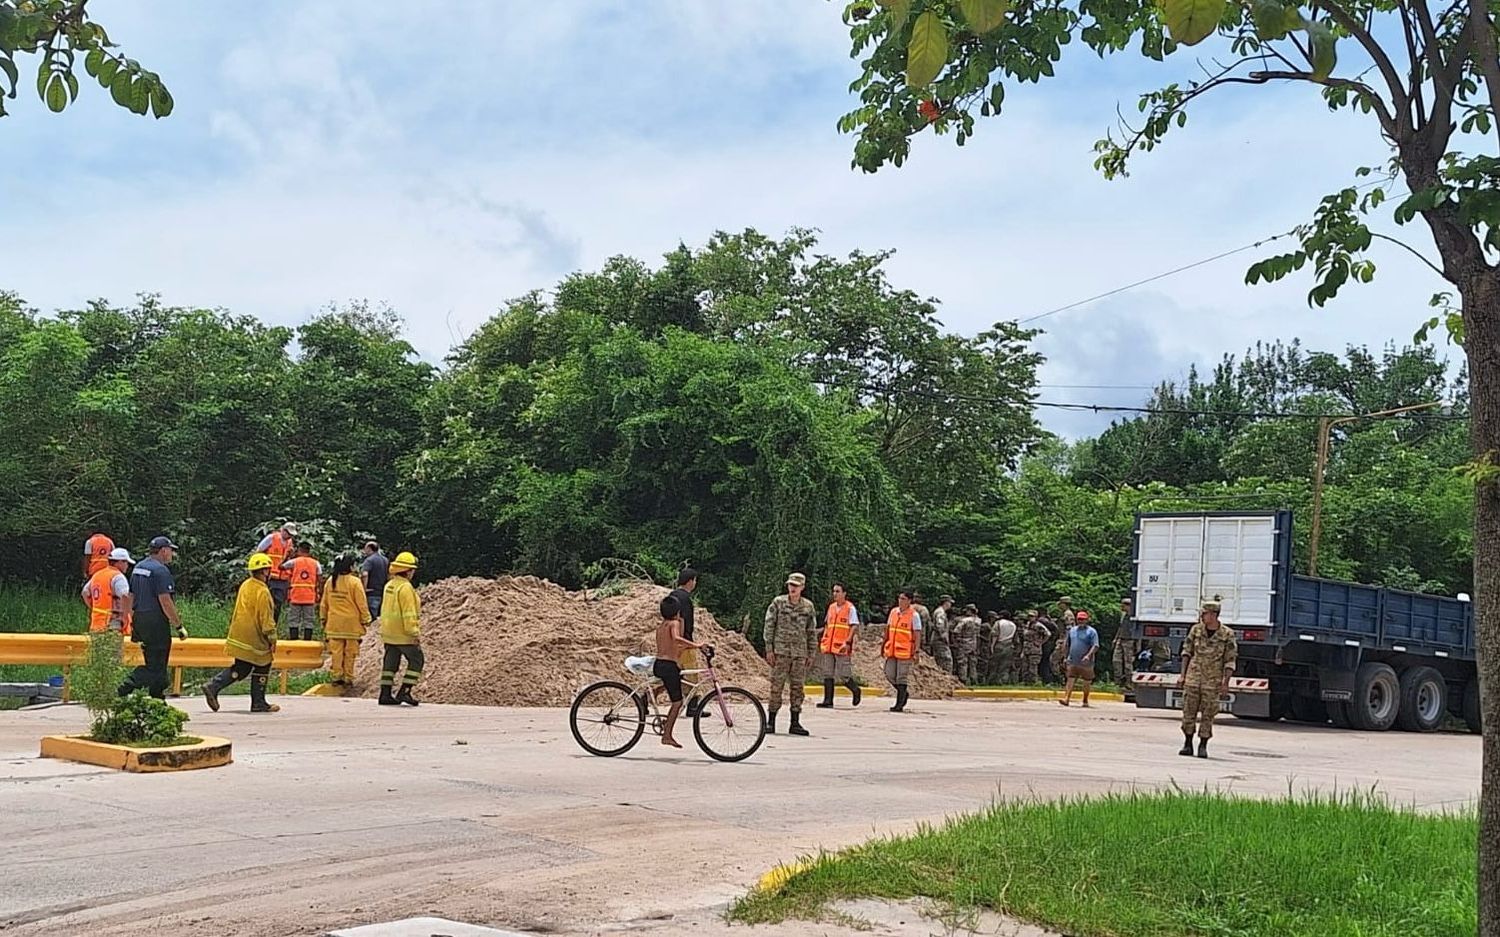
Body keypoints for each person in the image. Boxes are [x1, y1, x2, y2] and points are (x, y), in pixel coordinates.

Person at [203, 553, 281, 714]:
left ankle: (214, 686)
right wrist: (272, 637)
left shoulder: (246, 585)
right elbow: (265, 618)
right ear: (265, 571)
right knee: (263, 664)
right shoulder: (263, 591)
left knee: (242, 667)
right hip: (254, 637)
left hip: (239, 634)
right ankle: (258, 702)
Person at [118, 536, 185, 699]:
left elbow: (130, 596)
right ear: (163, 551)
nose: (172, 554)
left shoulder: (139, 568)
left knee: (154, 663)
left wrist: (131, 619)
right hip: (156, 622)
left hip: (140, 619)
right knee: (156, 666)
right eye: (170, 550)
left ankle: (157, 697)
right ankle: (125, 685)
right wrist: (178, 625)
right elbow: (165, 601)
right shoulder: (160, 571)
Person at [1179, 600, 1238, 758]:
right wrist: (1183, 675)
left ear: (1213, 615)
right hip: (1194, 676)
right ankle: (1187, 743)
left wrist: (1226, 683)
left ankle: (1203, 744)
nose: (1202, 616)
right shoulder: (1196, 630)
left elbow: (1230, 660)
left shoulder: (1227, 634)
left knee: (1208, 713)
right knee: (1188, 711)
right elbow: (1187, 652)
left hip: (1212, 680)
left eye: (1205, 614)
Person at [763, 572, 816, 736]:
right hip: (781, 652)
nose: (792, 588)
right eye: (790, 585)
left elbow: (811, 631)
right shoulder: (778, 603)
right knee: (776, 686)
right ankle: (770, 721)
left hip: (800, 653)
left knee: (797, 688)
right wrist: (769, 648)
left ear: (802, 587)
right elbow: (769, 625)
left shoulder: (808, 607)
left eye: (796, 585)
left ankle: (795, 722)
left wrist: (812, 653)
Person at [653, 594, 704, 749]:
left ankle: (652, 693)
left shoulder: (662, 626)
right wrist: (697, 645)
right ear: (677, 612)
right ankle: (667, 735)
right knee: (678, 702)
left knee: (678, 682)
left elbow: (673, 644)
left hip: (660, 664)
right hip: (669, 666)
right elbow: (676, 638)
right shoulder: (673, 624)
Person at [320, 553, 371, 689]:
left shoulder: (330, 581)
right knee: (350, 652)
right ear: (350, 566)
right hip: (351, 625)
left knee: (336, 652)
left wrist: (323, 618)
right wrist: (366, 619)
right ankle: (348, 677)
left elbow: (324, 603)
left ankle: (337, 677)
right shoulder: (355, 582)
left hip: (334, 624)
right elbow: (361, 603)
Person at [379, 551, 424, 706]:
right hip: (403, 633)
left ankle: (385, 693)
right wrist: (414, 633)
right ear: (409, 571)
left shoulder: (389, 585)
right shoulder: (406, 588)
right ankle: (405, 691)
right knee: (417, 659)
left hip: (388, 632)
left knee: (390, 662)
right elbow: (408, 613)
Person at [814, 582, 862, 708]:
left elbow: (854, 626)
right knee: (827, 673)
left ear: (844, 593)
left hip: (841, 645)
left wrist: (848, 642)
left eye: (838, 591)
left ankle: (855, 690)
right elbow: (827, 625)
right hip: (829, 645)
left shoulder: (850, 608)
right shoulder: (831, 607)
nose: (835, 594)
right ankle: (828, 700)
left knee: (843, 674)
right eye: (834, 591)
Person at [881, 590, 922, 712]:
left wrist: (916, 651)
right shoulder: (894, 612)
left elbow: (917, 634)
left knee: (901, 677)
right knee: (889, 673)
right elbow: (888, 629)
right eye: (899, 598)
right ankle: (903, 693)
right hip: (892, 649)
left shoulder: (914, 615)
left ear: (909, 601)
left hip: (905, 651)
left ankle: (899, 704)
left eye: (903, 599)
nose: (900, 601)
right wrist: (883, 644)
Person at [669, 568, 702, 714]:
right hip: (685, 642)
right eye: (694, 580)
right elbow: (683, 620)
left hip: (672, 640)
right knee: (691, 673)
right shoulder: (685, 599)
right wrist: (684, 640)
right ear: (690, 581)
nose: (695, 583)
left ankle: (645, 696)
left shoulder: (672, 595)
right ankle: (693, 706)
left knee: (674, 673)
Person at [82, 547, 133, 635]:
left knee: (98, 648)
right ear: (119, 562)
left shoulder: (97, 574)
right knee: (113, 648)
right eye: (126, 562)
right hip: (113, 621)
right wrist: (126, 616)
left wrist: (93, 607)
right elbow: (125, 596)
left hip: (97, 621)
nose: (127, 565)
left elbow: (85, 593)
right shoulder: (118, 577)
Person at [255, 521, 299, 622]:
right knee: (266, 602)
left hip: (282, 579)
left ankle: (273, 625)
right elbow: (258, 552)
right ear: (283, 530)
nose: (289, 536)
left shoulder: (290, 542)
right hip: (270, 577)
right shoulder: (272, 538)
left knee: (278, 605)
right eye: (288, 533)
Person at [280, 541, 322, 641]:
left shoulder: (294, 561)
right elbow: (320, 578)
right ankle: (307, 642)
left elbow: (281, 567)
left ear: (299, 550)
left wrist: (288, 556)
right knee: (309, 621)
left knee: (294, 620)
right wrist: (319, 592)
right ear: (309, 551)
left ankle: (294, 641)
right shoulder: (316, 563)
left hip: (296, 596)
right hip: (310, 596)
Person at [1059, 609, 1100, 707]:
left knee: (1086, 682)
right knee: (1070, 679)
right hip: (1073, 660)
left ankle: (1085, 700)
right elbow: (1067, 644)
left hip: (1086, 662)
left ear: (1087, 620)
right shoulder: (1072, 630)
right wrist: (1065, 657)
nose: (1081, 621)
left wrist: (1088, 655)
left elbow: (1095, 646)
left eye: (1083, 619)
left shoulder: (1091, 632)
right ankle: (1066, 699)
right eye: (1079, 619)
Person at [1113, 597, 1139, 696]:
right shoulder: (1123, 615)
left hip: (1129, 641)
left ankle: (1129, 683)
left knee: (1128, 664)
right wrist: (1116, 638)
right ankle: (1117, 682)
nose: (1122, 607)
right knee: (1116, 660)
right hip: (1121, 639)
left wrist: (1137, 645)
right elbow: (1120, 627)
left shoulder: (1133, 616)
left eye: (1123, 605)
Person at [1048, 595, 1076, 685]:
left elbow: (1069, 629)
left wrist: (1065, 643)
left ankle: (1061, 680)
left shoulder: (1068, 614)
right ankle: (1064, 680)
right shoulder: (1066, 614)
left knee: (1054, 660)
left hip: (1064, 641)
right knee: (1060, 661)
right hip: (1064, 640)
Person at [1018, 610, 1051, 685]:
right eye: (1029, 616)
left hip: (1034, 649)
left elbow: (1048, 634)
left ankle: (1033, 682)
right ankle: (1025, 682)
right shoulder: (1027, 625)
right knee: (1025, 666)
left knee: (1033, 667)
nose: (1030, 618)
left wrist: (1040, 642)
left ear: (1036, 617)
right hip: (1026, 648)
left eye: (1032, 616)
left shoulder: (1038, 625)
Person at [951, 604, 981, 684]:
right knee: (973, 663)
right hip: (974, 644)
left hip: (963, 643)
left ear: (969, 611)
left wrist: (956, 641)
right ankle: (974, 679)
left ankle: (963, 679)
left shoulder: (964, 620)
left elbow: (956, 631)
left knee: (962, 662)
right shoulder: (979, 621)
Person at [360, 541, 389, 619]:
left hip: (371, 593)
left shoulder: (369, 560)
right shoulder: (385, 560)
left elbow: (364, 574)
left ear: (369, 548)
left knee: (371, 618)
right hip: (382, 592)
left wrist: (364, 588)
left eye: (365, 548)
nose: (364, 550)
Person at [929, 595, 954, 674]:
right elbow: (940, 626)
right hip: (939, 640)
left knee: (940, 660)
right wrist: (944, 638)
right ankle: (946, 676)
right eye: (950, 603)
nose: (950, 605)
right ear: (946, 603)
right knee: (946, 659)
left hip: (937, 639)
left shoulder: (939, 611)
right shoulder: (940, 612)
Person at [990, 611, 1017, 684]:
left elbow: (995, 635)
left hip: (999, 644)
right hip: (1009, 645)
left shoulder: (998, 623)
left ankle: (993, 681)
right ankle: (1004, 680)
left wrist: (992, 646)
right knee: (1005, 665)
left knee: (995, 664)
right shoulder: (1013, 625)